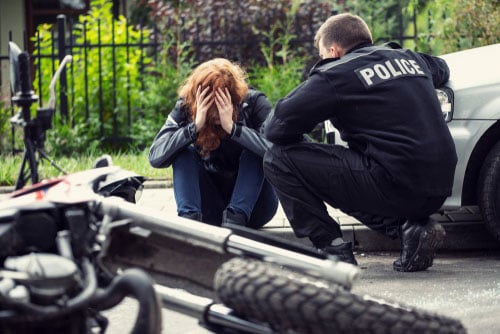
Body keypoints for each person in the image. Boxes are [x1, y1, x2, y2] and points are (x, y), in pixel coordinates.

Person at [263, 13, 457, 271]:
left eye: (322, 56)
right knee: (358, 170)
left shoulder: (336, 73)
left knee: (277, 158)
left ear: (333, 51)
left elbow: (276, 128)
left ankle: (332, 249)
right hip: (441, 186)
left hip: (394, 185)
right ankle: (409, 230)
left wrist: (320, 80)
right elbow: (442, 67)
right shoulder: (409, 58)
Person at [148, 58, 278, 229]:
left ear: (234, 97)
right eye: (211, 104)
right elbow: (155, 157)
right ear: (199, 99)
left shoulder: (254, 103)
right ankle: (189, 222)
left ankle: (235, 218)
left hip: (255, 208)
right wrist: (193, 128)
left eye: (222, 102)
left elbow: (277, 152)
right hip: (210, 207)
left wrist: (233, 129)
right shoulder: (186, 107)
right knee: (183, 151)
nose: (216, 112)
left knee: (255, 149)